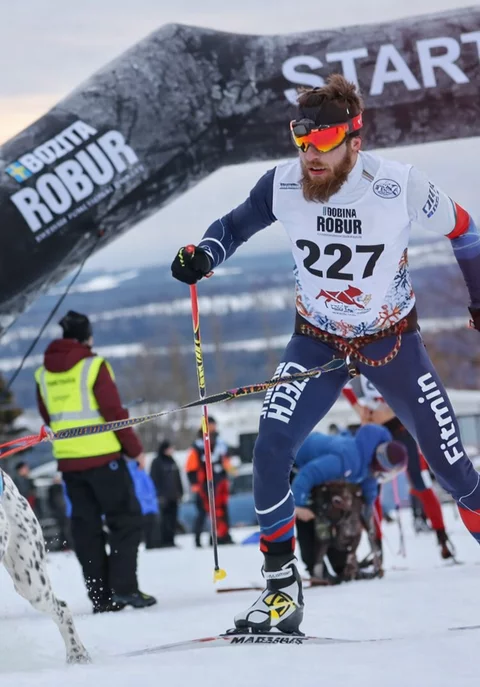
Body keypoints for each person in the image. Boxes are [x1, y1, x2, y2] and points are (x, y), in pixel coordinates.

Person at [171, 74, 480, 635]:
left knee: (452, 467)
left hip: (390, 342)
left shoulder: (399, 185)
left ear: (354, 141)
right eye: (301, 140)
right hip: (317, 340)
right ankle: (281, 594)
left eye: (324, 141)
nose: (310, 155)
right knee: (270, 449)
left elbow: (465, 229)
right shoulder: (283, 183)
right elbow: (233, 226)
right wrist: (205, 255)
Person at [35, 310, 156, 613]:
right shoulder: (94, 366)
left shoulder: (43, 374)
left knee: (86, 529)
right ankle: (124, 590)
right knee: (125, 521)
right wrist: (135, 450)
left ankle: (101, 597)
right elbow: (114, 415)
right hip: (104, 459)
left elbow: (48, 416)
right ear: (87, 337)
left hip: (69, 464)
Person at [343, 375, 455, 559]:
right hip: (379, 430)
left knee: (420, 483)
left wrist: (381, 410)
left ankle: (442, 537)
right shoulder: (359, 375)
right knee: (372, 488)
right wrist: (360, 408)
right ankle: (377, 546)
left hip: (400, 429)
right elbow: (346, 387)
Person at [292, 424, 407, 583]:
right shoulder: (347, 460)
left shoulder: (367, 458)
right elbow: (308, 474)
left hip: (314, 474)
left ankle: (340, 565)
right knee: (311, 514)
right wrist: (299, 504)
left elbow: (369, 483)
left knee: (339, 512)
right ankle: (315, 568)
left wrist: (367, 506)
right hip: (292, 461)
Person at [185, 416, 233, 547]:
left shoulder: (221, 444)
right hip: (204, 485)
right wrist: (195, 484)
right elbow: (190, 468)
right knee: (202, 513)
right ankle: (197, 539)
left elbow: (227, 463)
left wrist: (230, 472)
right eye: (210, 425)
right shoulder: (197, 446)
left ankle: (222, 536)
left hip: (219, 483)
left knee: (222, 511)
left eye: (214, 425)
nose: (213, 428)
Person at [150, 439, 184, 547]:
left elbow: (178, 478)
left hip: (174, 496)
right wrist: (159, 495)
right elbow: (154, 479)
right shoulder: (157, 462)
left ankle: (171, 540)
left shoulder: (172, 461)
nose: (172, 450)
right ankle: (163, 541)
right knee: (164, 520)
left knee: (173, 520)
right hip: (163, 497)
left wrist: (181, 492)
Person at [127, 459, 160, 549]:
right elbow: (139, 491)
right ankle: (148, 543)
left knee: (150, 525)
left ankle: (151, 543)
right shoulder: (134, 474)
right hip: (142, 505)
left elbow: (151, 489)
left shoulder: (142, 473)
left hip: (148, 505)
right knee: (145, 526)